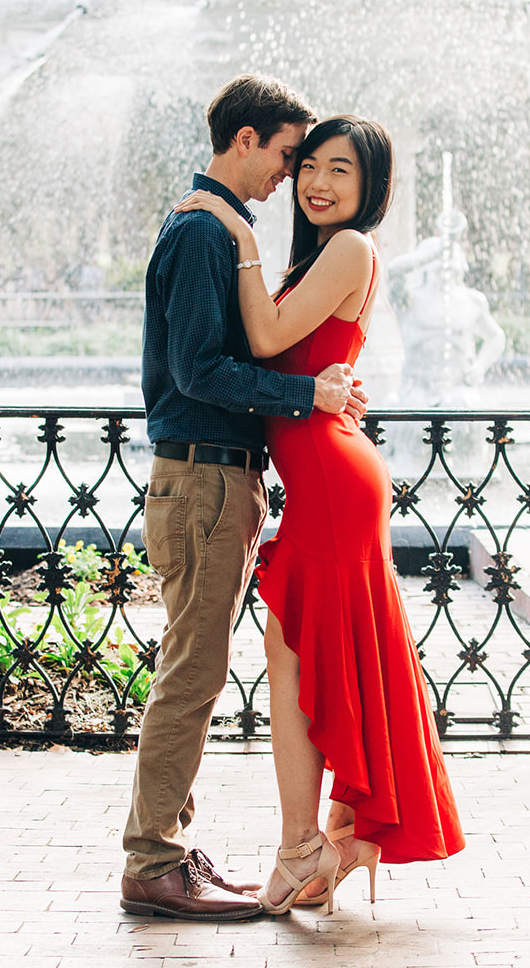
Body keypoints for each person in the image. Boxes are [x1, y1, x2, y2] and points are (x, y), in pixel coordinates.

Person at [174, 116, 464, 915]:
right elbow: (281, 351)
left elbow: (264, 335)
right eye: (308, 166)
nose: (317, 182)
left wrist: (236, 236)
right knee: (313, 659)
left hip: (332, 483)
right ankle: (337, 835)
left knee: (298, 655)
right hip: (328, 476)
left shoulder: (349, 248)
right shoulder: (321, 256)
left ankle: (309, 844)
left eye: (341, 170)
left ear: (370, 189)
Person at [120, 76, 368, 923]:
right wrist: (308, 400)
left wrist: (313, 391)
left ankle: (166, 847)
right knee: (192, 671)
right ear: (247, 140)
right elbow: (198, 370)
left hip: (218, 476)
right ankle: (151, 859)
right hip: (200, 476)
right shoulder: (200, 230)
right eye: (289, 155)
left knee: (195, 665)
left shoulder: (217, 226)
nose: (291, 176)